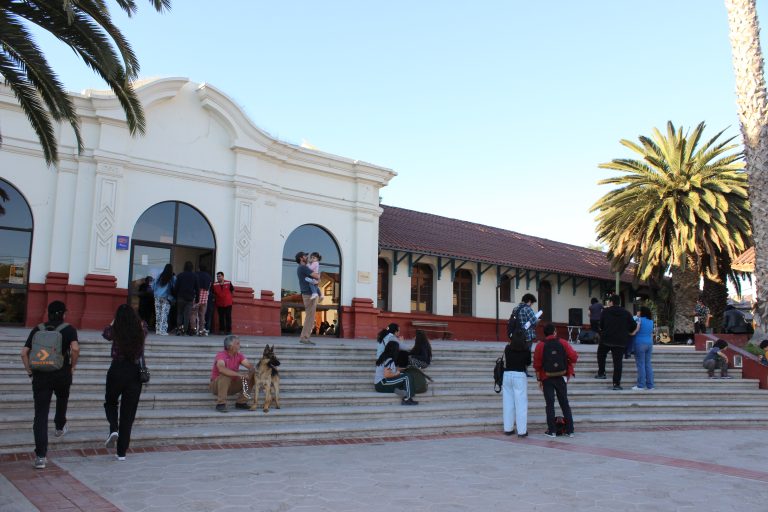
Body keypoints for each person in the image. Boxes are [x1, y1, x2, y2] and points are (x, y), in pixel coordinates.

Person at [20, 301, 80, 469]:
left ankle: (40, 456)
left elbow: (24, 352)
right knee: (62, 398)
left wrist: (30, 372)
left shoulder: (37, 329)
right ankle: (59, 426)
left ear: (48, 312)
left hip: (40, 376)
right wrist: (73, 366)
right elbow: (75, 349)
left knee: (40, 414)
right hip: (62, 374)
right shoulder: (69, 329)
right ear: (64, 313)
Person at [101, 304, 146, 461]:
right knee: (128, 413)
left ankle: (113, 427)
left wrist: (114, 322)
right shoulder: (142, 328)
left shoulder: (115, 329)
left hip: (117, 369)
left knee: (111, 402)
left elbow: (105, 334)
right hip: (134, 372)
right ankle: (121, 452)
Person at [533, 323, 578, 438]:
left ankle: (552, 430)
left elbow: (537, 365)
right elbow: (574, 357)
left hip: (546, 377)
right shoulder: (563, 342)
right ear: (554, 332)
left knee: (550, 404)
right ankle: (570, 430)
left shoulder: (540, 346)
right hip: (561, 376)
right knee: (564, 403)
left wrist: (539, 379)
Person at [596, 294, 636, 390]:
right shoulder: (626, 313)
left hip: (606, 339)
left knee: (601, 354)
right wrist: (626, 331)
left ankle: (601, 373)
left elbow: (600, 325)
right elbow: (633, 325)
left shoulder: (605, 311)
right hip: (620, 341)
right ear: (619, 302)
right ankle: (616, 384)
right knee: (618, 363)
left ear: (611, 302)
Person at [209, 335, 255, 412]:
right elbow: (221, 369)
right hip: (217, 386)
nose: (240, 345)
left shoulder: (239, 355)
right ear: (230, 346)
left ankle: (241, 402)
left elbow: (249, 365)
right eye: (237, 343)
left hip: (232, 385)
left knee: (253, 375)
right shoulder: (221, 355)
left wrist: (251, 371)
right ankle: (221, 404)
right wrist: (239, 375)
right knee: (225, 375)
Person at [502, 332, 531, 437]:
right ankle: (522, 431)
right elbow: (528, 363)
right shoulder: (526, 349)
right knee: (521, 404)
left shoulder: (507, 348)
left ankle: (508, 428)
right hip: (519, 376)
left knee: (508, 403)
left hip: (507, 375)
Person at [374, 340, 418, 405]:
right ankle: (407, 399)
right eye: (397, 349)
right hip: (382, 384)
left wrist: (404, 369)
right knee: (406, 377)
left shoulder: (384, 357)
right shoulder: (389, 360)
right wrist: (396, 374)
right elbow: (387, 375)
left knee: (402, 380)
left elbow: (392, 369)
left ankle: (405, 395)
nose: (398, 351)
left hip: (379, 386)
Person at [296, 252, 320, 345]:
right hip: (309, 295)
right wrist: (318, 276)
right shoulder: (303, 267)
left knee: (310, 316)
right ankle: (304, 337)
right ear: (301, 258)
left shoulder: (302, 268)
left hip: (307, 294)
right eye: (305, 256)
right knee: (310, 317)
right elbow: (317, 276)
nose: (307, 257)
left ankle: (305, 337)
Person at [631, 306, 655, 391]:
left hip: (640, 343)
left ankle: (640, 385)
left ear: (642, 312)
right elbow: (652, 333)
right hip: (649, 343)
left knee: (641, 364)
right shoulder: (651, 321)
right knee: (648, 364)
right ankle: (650, 385)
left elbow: (636, 330)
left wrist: (631, 333)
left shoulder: (639, 320)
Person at [173, 261, 199, 336]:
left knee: (179, 314)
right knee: (187, 315)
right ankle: (185, 330)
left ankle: (179, 330)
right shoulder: (195, 276)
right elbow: (197, 288)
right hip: (189, 298)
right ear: (192, 267)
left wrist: (175, 296)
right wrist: (197, 298)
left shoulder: (180, 275)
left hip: (180, 297)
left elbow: (176, 287)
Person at [153, 264, 175, 336]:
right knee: (164, 314)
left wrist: (156, 292)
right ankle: (163, 330)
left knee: (158, 314)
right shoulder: (172, 278)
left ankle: (158, 330)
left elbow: (153, 285)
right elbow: (175, 287)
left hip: (157, 297)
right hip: (166, 298)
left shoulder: (159, 276)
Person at [193, 265, 213, 336]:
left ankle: (193, 330)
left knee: (194, 314)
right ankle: (201, 330)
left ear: (199, 268)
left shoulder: (196, 274)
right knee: (202, 315)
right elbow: (209, 287)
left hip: (196, 298)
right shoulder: (209, 277)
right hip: (204, 299)